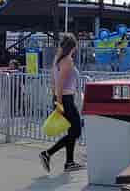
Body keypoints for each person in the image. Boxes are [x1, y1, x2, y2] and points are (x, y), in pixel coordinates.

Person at [39, 34, 84, 173]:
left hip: (61, 98)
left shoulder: (57, 59)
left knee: (72, 130)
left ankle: (69, 162)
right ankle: (48, 153)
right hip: (65, 99)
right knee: (76, 130)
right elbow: (60, 83)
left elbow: (53, 82)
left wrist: (55, 99)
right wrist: (59, 103)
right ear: (73, 47)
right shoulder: (67, 61)